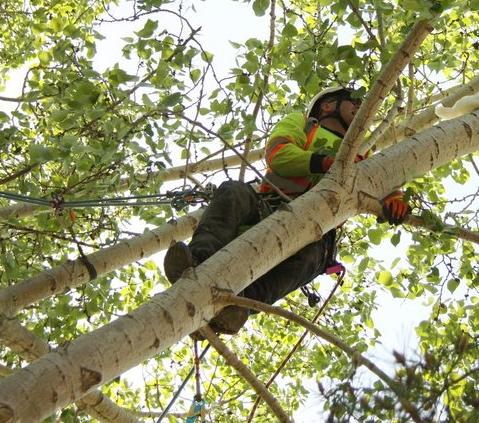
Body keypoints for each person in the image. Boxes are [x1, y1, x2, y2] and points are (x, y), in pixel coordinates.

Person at [163, 86, 411, 334]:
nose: (360, 108)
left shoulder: (363, 152)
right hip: (267, 207)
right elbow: (279, 154)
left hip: (314, 233)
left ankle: (236, 307)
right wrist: (324, 162)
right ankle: (197, 262)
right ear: (327, 105)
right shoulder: (303, 124)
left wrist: (393, 198)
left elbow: (380, 182)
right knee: (233, 191)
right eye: (353, 102)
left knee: (314, 256)